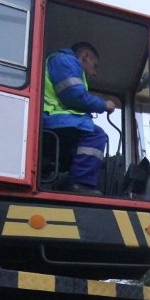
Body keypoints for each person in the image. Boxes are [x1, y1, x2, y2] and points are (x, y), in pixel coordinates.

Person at [43, 41, 116, 196]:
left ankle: (66, 177)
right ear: (84, 56)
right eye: (94, 65)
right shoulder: (66, 61)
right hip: (52, 117)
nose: (94, 72)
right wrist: (104, 105)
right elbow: (74, 96)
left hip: (54, 118)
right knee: (95, 134)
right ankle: (80, 184)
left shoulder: (62, 62)